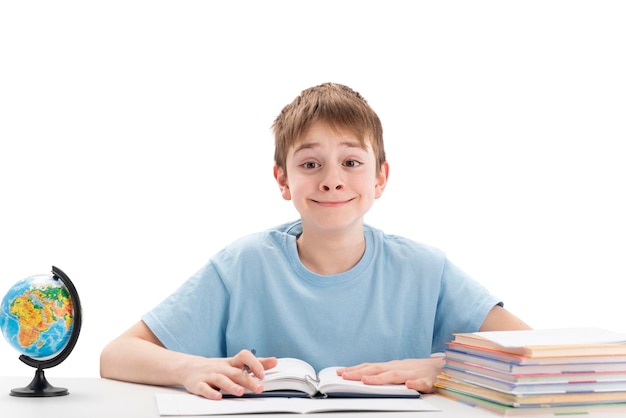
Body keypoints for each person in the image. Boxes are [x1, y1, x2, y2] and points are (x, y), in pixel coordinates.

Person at [100, 82, 530, 400]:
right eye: (310, 164)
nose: (331, 181)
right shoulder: (243, 265)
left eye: (350, 161)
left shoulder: (425, 269)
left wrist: (443, 367)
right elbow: (116, 355)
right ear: (283, 179)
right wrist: (190, 368)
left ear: (380, 177)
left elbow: (536, 351)